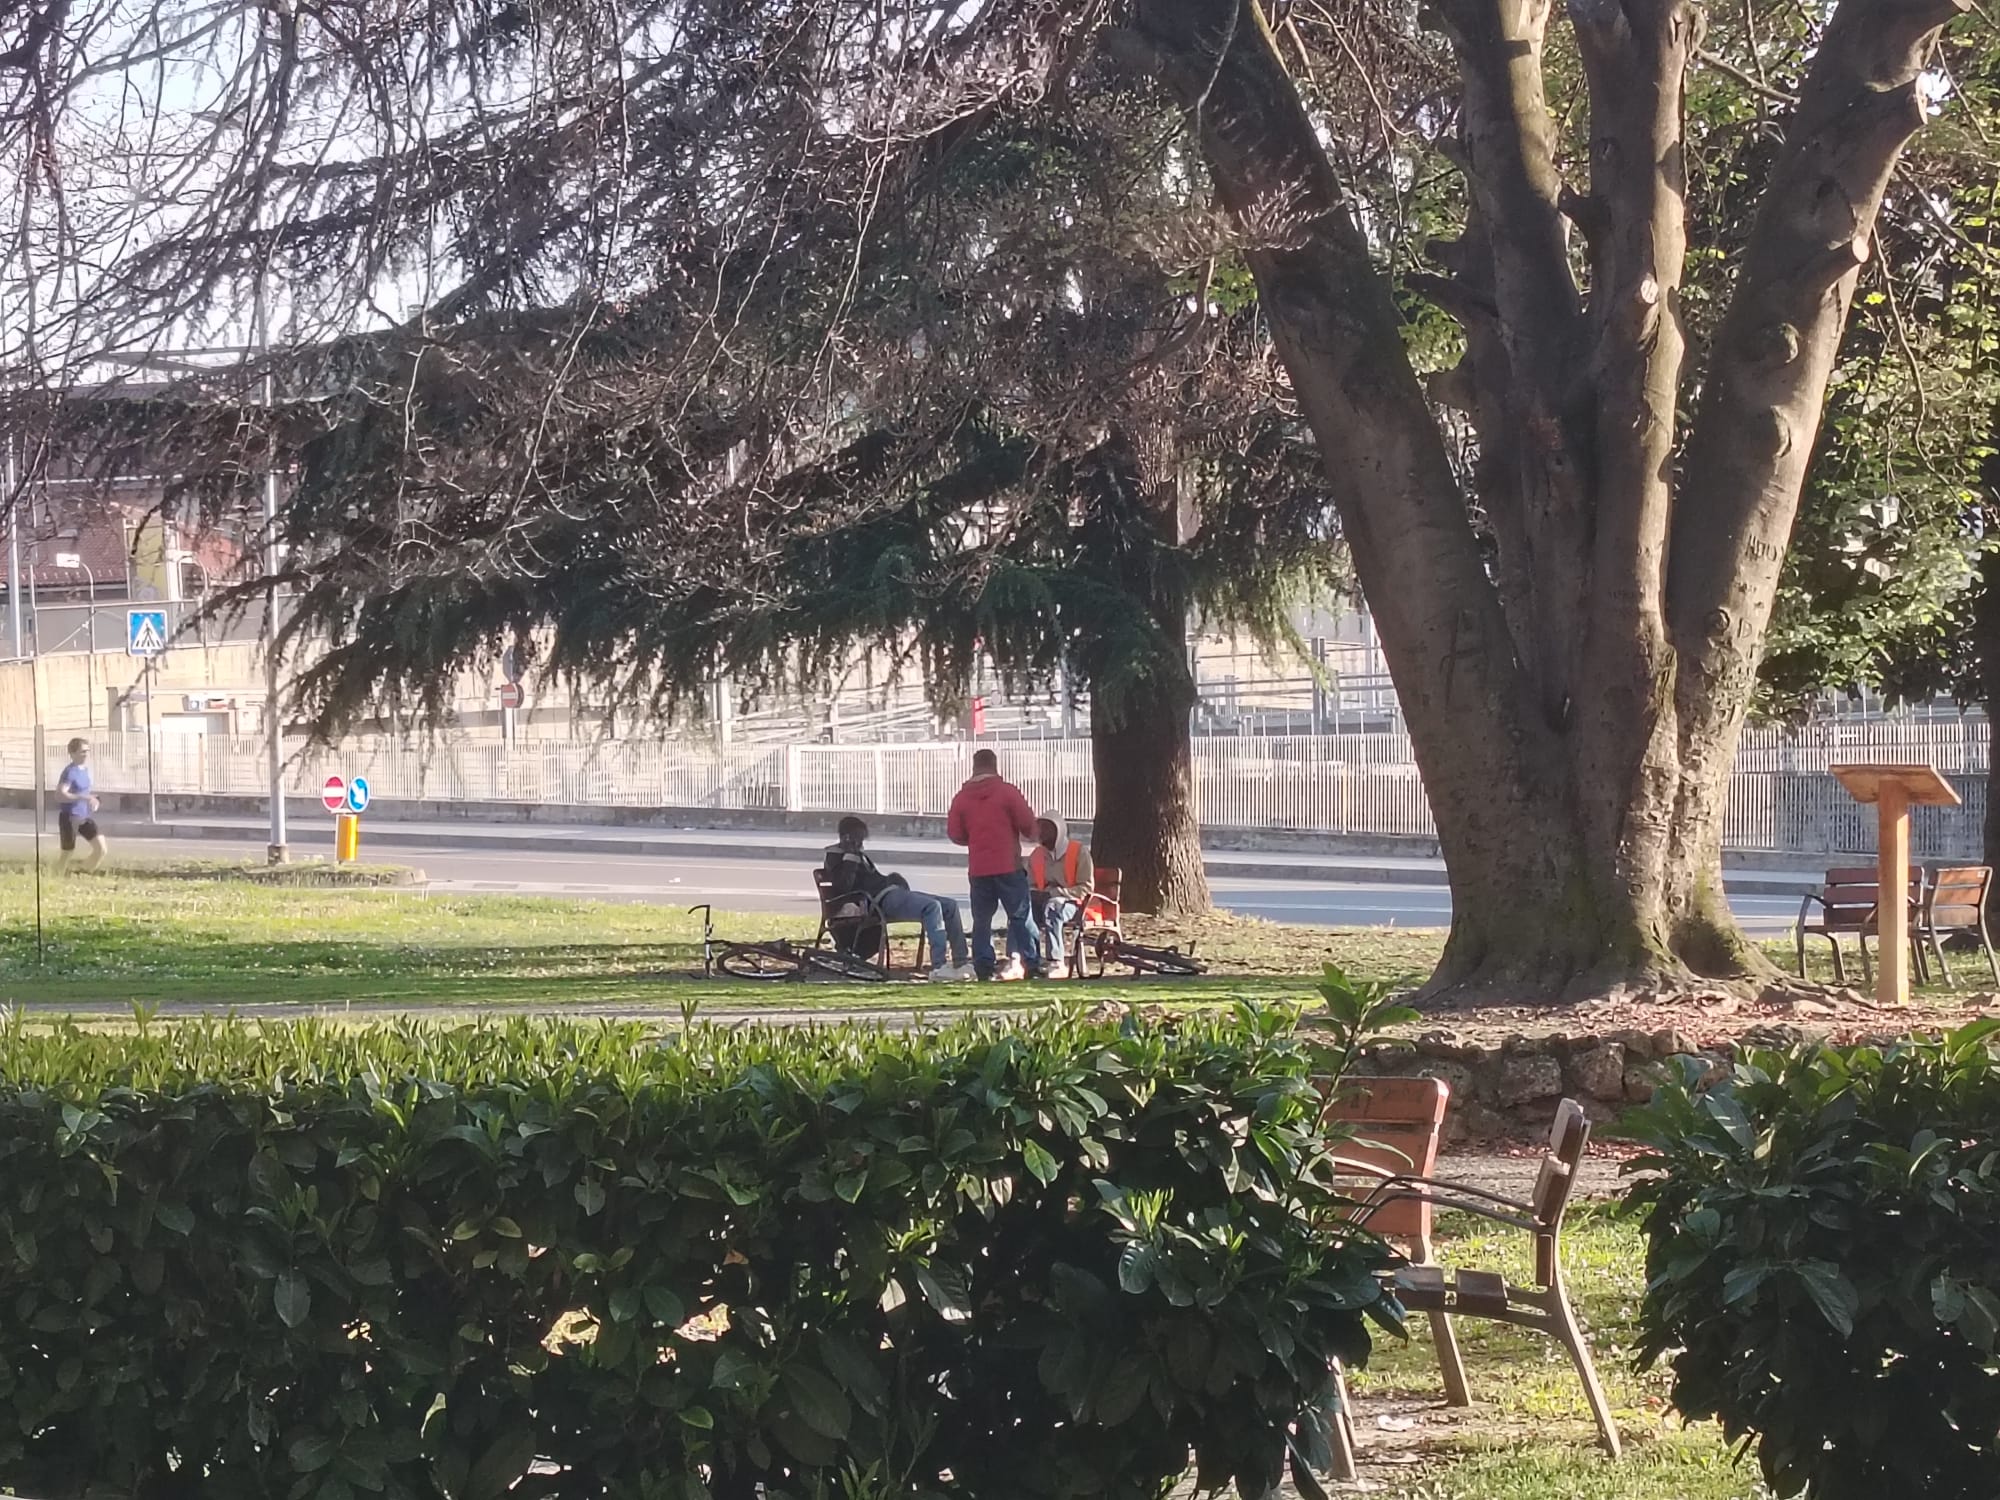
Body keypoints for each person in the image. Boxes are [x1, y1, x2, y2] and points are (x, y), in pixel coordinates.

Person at [820, 815, 974, 980]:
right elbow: (844, 887)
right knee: (932, 907)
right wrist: (850, 858)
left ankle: (961, 962)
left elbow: (873, 878)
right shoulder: (837, 857)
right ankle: (939, 966)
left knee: (950, 905)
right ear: (847, 837)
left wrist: (892, 879)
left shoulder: (859, 856)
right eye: (858, 839)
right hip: (881, 901)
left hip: (892, 892)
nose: (861, 844)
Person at [945, 748, 1042, 980]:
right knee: (1020, 915)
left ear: (974, 766)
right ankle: (1032, 962)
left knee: (982, 919)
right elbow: (1028, 824)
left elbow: (955, 834)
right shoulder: (1007, 793)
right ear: (995, 766)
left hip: (979, 868)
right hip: (1008, 865)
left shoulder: (961, 798)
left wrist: (975, 839)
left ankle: (983, 965)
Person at [1028, 812, 1094, 979]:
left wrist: (1058, 893)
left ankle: (1056, 962)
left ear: (1059, 831)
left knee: (1054, 906)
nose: (1041, 832)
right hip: (1043, 900)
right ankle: (1023, 958)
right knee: (1021, 909)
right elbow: (1031, 883)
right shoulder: (1037, 855)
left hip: (1075, 904)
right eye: (1039, 828)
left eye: (1046, 828)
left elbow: (1086, 887)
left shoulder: (1079, 852)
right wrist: (1035, 893)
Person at [56, 737, 108, 873]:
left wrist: (95, 800)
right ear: (72, 754)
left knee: (101, 849)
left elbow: (85, 792)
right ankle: (55, 874)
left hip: (84, 817)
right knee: (67, 853)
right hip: (69, 817)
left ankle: (81, 872)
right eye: (82, 752)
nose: (86, 754)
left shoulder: (85, 770)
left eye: (87, 751)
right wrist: (84, 797)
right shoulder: (69, 772)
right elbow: (60, 795)